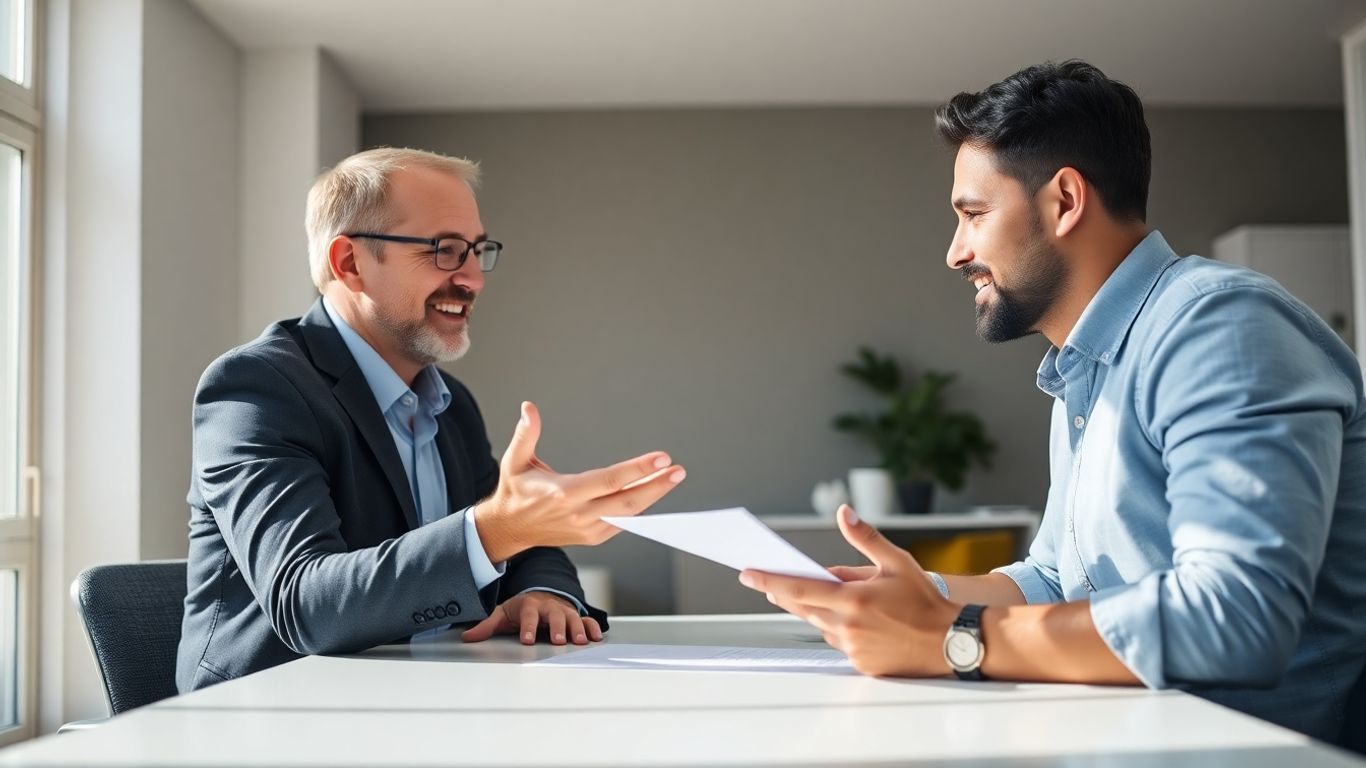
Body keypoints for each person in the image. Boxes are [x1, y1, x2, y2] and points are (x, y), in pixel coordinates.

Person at [740, 60, 1366, 742]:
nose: (955, 253)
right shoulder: (1084, 370)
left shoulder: (1220, 327)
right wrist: (908, 601)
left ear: (1065, 201)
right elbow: (1053, 577)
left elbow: (1235, 618)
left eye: (973, 214)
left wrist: (955, 637)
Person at [177, 147, 686, 691]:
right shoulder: (257, 389)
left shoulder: (451, 405)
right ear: (349, 262)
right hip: (275, 716)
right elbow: (308, 604)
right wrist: (497, 530)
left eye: (476, 250)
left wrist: (544, 594)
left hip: (434, 695)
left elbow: (524, 539)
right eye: (444, 250)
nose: (473, 280)